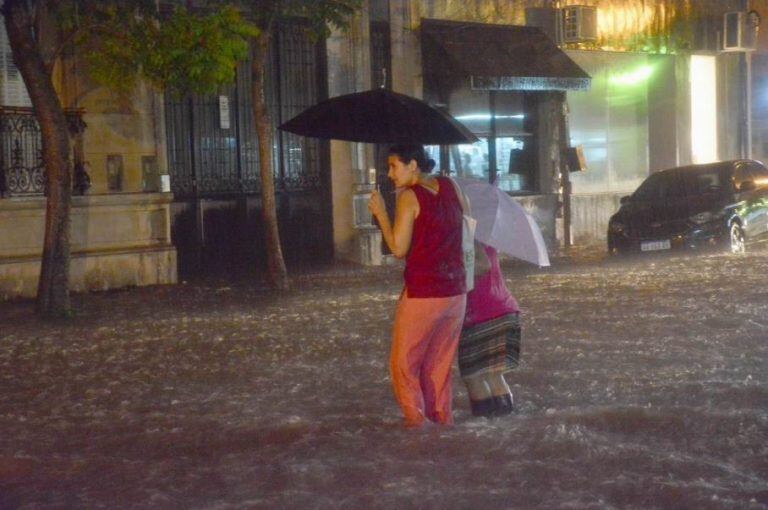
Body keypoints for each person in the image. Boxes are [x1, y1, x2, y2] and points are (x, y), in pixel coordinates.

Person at [368, 144, 467, 428]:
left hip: (424, 293)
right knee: (439, 366)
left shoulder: (409, 196)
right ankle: (442, 425)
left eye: (393, 166)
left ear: (413, 165)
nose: (389, 174)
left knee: (404, 365)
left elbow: (398, 248)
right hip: (456, 293)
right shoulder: (450, 186)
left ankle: (417, 429)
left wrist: (381, 214)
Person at [459, 241, 521, 417]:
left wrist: (454, 270)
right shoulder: (485, 236)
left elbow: (482, 265)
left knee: (473, 377)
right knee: (494, 375)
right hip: (505, 309)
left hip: (481, 313)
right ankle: (504, 422)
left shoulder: (467, 234)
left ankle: (483, 426)